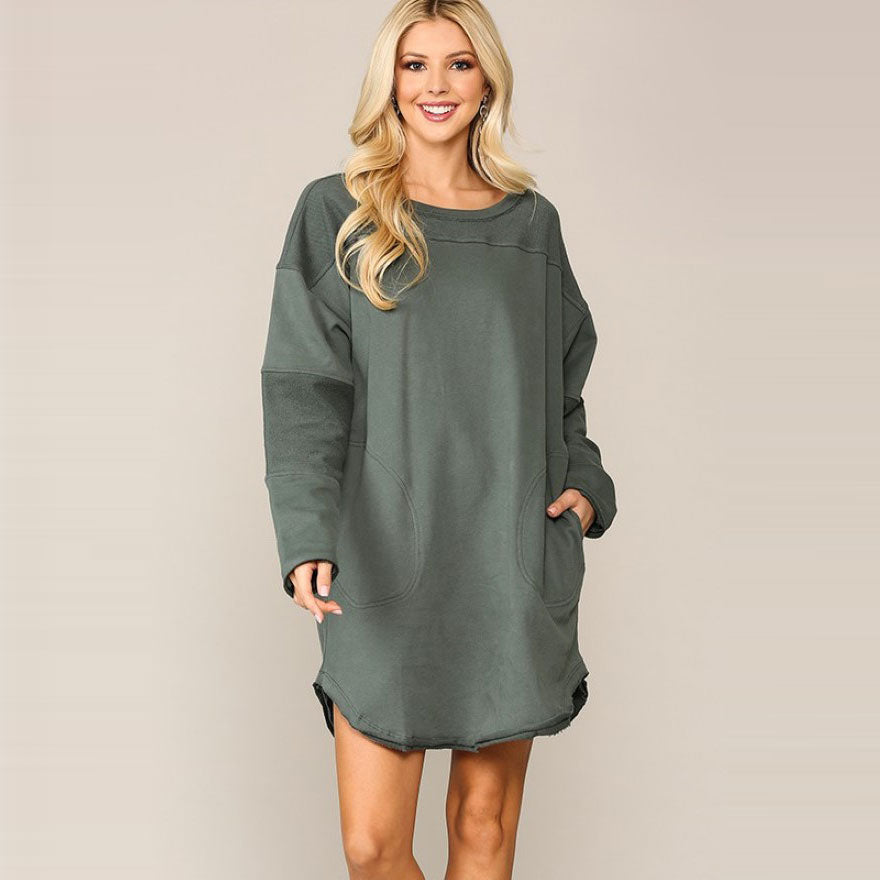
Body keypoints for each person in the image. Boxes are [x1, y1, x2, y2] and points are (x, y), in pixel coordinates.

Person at [260, 1, 618, 876]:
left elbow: (562, 384)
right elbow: (304, 389)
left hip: (507, 558)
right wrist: (307, 535)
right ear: (388, 81)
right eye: (414, 64)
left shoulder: (531, 225)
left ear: (486, 80)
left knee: (483, 829)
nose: (436, 84)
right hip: (382, 554)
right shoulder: (335, 212)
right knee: (372, 846)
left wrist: (584, 485)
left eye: (459, 63)